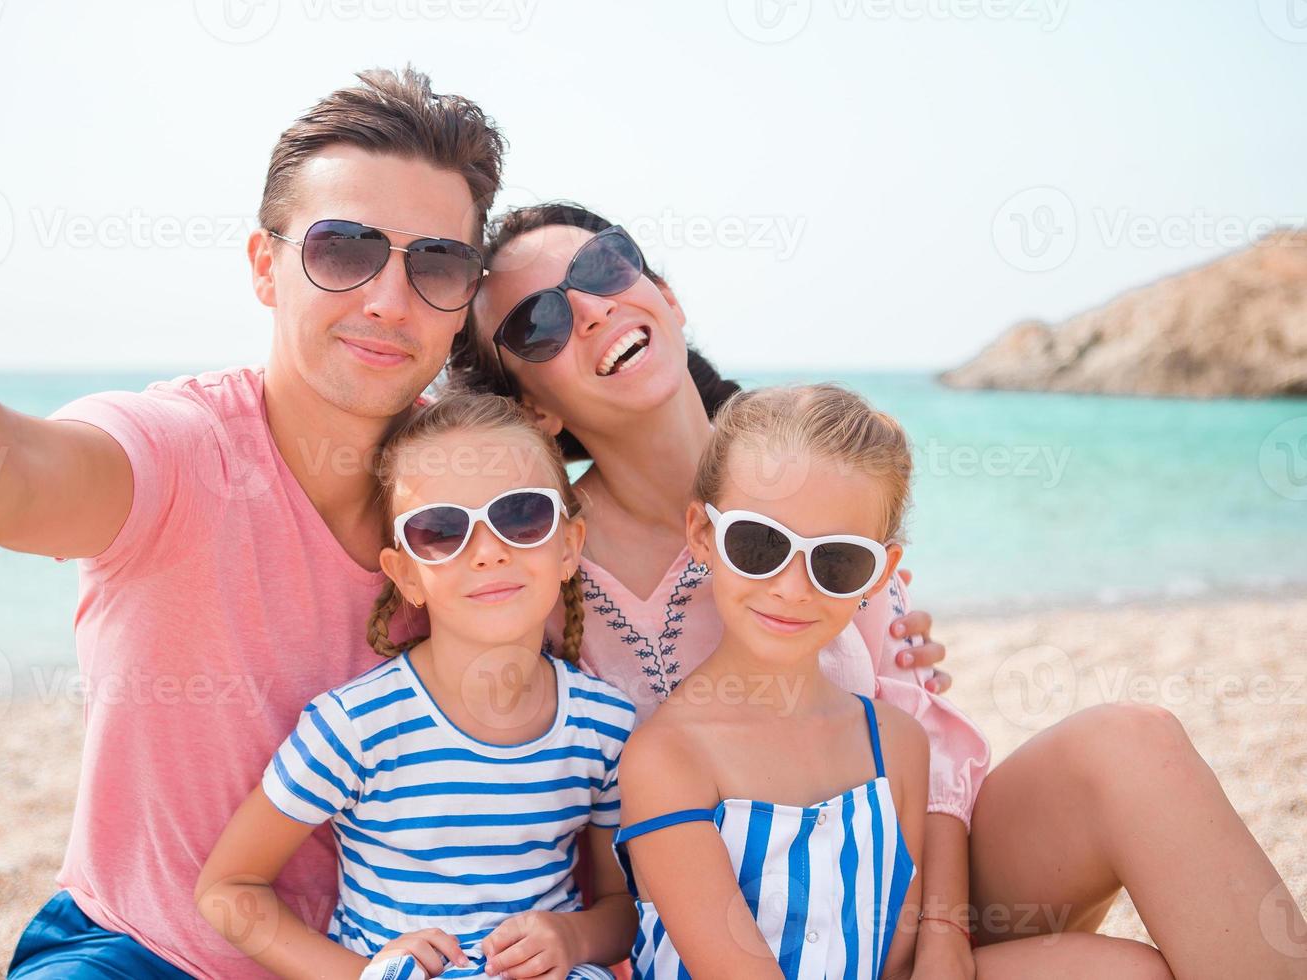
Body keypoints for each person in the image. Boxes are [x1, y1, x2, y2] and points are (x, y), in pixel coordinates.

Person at [451, 203, 1307, 978]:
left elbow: (921, 737)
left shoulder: (811, 478)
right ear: (534, 411)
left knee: (1133, 742)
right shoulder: (535, 558)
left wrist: (940, 932)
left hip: (904, 889)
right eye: (539, 324)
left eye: (603, 268)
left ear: (667, 296)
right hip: (707, 938)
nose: (591, 308)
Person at [0, 67, 509, 979]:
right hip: (144, 951)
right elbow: (7, 468)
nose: (389, 299)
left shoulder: (486, 494)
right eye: (345, 250)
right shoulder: (181, 454)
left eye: (434, 262)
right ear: (266, 268)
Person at [616, 383, 1173, 978]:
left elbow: (892, 958)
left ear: (879, 573)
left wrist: (944, 936)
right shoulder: (666, 759)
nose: (792, 585)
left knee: (1128, 967)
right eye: (759, 544)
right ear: (703, 533)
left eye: (836, 560)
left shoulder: (898, 746)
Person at [196, 393, 637, 979]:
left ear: (568, 547)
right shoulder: (356, 726)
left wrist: (572, 937)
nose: (487, 552)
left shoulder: (604, 724)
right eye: (441, 530)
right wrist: (362, 975)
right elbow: (228, 888)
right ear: (407, 575)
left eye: (521, 515)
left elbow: (621, 908)